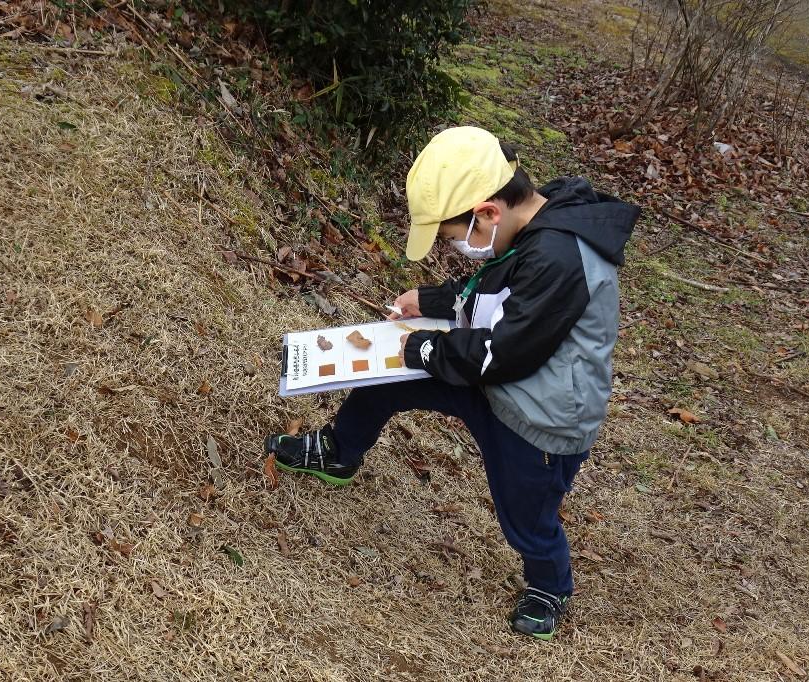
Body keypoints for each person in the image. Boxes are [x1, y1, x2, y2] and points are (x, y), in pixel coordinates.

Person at [266, 126, 640, 641]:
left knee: (526, 514)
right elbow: (496, 286)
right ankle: (339, 450)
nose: (457, 247)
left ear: (488, 212)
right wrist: (434, 302)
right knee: (386, 379)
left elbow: (504, 352)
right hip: (490, 378)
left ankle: (549, 584)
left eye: (453, 236)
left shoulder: (559, 256)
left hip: (538, 415)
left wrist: (424, 347)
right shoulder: (526, 226)